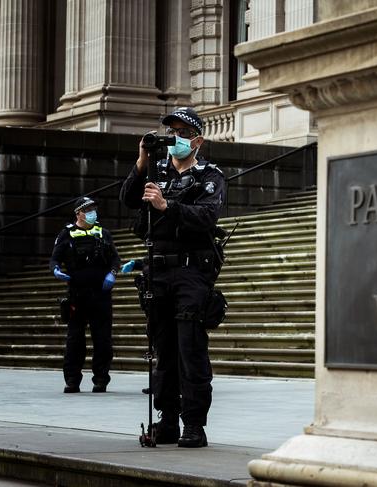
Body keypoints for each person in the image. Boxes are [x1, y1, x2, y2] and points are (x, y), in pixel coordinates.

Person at [120, 106, 225, 448]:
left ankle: (194, 424)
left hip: (192, 271)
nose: (175, 139)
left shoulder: (209, 175)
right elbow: (127, 200)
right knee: (162, 350)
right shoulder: (157, 171)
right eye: (171, 132)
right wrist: (141, 162)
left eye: (182, 133)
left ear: (197, 140)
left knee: (189, 350)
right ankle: (166, 420)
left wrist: (168, 207)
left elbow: (208, 216)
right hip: (158, 271)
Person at [49, 196, 120, 394]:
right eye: (88, 209)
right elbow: (55, 258)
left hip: (101, 295)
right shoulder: (67, 234)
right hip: (77, 295)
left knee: (103, 339)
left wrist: (112, 274)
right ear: (78, 213)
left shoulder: (103, 234)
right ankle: (72, 380)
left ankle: (101, 379)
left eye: (94, 209)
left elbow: (115, 259)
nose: (92, 212)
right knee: (75, 340)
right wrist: (55, 270)